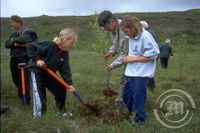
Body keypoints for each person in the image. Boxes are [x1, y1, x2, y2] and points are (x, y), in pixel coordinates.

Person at [27, 28, 77, 119]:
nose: (73, 44)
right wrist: (37, 60)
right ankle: (39, 116)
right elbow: (30, 46)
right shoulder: (49, 45)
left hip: (49, 73)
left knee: (61, 88)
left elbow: (65, 68)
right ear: (65, 39)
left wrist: (69, 83)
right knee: (40, 96)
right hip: (37, 72)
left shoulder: (64, 52)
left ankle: (61, 111)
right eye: (72, 41)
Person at [120, 15, 160, 126]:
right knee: (126, 97)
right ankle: (136, 116)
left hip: (141, 74)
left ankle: (142, 122)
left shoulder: (146, 37)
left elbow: (154, 54)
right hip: (130, 73)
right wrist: (127, 58)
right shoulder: (131, 37)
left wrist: (132, 59)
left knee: (138, 100)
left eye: (126, 31)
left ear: (133, 27)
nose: (125, 34)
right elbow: (135, 53)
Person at [97, 10, 128, 109]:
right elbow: (115, 44)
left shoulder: (124, 29)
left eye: (105, 27)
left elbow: (125, 52)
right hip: (129, 57)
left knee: (126, 79)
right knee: (126, 80)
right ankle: (124, 101)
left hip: (137, 58)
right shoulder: (113, 30)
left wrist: (112, 65)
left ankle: (121, 103)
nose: (105, 30)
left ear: (112, 21)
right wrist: (111, 52)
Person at [5, 15, 38, 105]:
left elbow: (24, 39)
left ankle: (26, 100)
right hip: (14, 58)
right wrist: (15, 43)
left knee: (24, 79)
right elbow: (6, 44)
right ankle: (21, 95)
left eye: (12, 22)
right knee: (15, 78)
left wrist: (14, 42)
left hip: (23, 58)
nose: (10, 24)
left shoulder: (28, 32)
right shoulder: (13, 34)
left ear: (18, 23)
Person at [140, 20, 158, 92]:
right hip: (154, 53)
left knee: (147, 71)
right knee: (150, 71)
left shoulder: (146, 33)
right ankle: (151, 87)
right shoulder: (152, 31)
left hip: (149, 54)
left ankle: (150, 87)